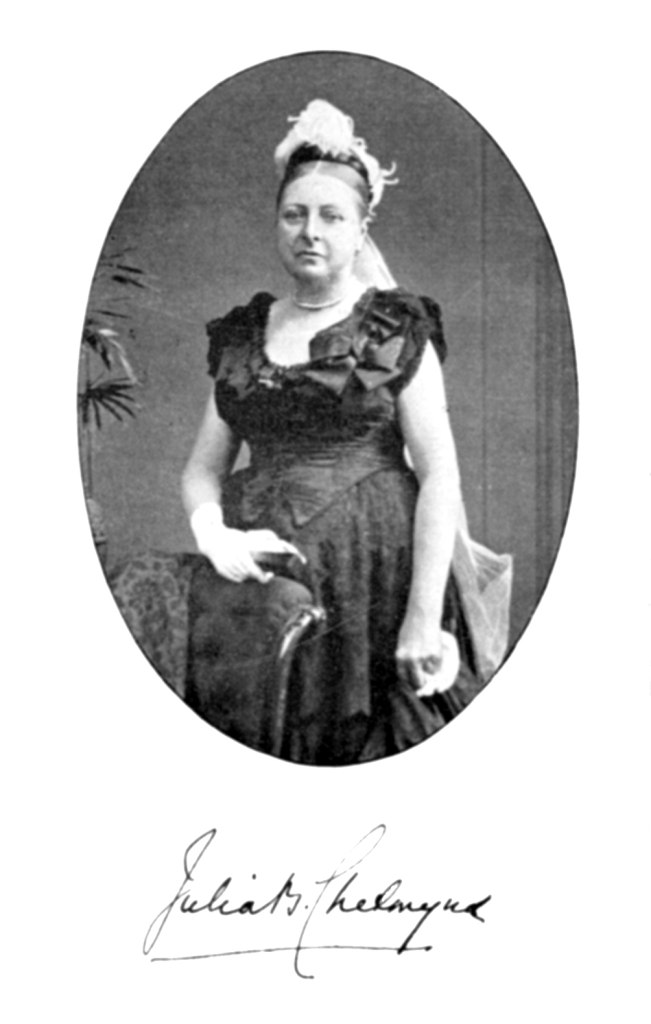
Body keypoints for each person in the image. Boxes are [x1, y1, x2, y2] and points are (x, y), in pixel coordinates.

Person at [109, 100, 512, 765]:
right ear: (277, 224)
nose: (310, 232)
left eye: (331, 216)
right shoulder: (244, 334)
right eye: (294, 215)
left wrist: (420, 617)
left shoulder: (392, 328)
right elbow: (202, 468)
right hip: (264, 578)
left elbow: (440, 473)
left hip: (373, 578)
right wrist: (215, 536)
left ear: (359, 231)